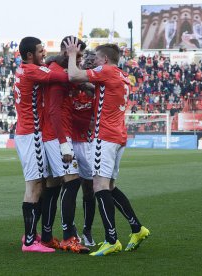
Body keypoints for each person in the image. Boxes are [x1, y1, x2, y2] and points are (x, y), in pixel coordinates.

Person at [65, 37, 150, 256]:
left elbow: (73, 75)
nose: (94, 61)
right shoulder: (122, 75)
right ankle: (136, 228)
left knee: (99, 186)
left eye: (97, 58)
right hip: (120, 135)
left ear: (104, 59)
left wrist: (73, 54)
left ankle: (111, 239)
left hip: (105, 135)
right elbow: (96, 88)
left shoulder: (107, 72)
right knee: (109, 186)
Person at [13, 36, 68, 253]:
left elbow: (47, 66)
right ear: (29, 55)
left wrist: (55, 57)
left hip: (27, 133)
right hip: (31, 134)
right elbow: (63, 76)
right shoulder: (32, 71)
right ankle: (29, 242)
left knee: (39, 185)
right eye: (40, 50)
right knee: (34, 186)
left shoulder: (24, 69)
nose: (44, 53)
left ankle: (30, 235)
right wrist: (70, 60)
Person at [41, 36, 90, 254]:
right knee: (72, 182)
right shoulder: (56, 75)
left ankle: (47, 236)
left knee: (52, 186)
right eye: (77, 56)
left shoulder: (61, 72)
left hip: (57, 134)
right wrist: (64, 144)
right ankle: (69, 236)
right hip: (57, 136)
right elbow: (53, 111)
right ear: (66, 53)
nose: (79, 61)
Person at [71, 49, 97, 246]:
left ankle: (87, 231)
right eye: (85, 62)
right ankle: (70, 231)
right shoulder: (71, 84)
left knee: (89, 189)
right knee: (67, 187)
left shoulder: (99, 87)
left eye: (91, 62)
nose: (87, 64)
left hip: (88, 143)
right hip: (68, 142)